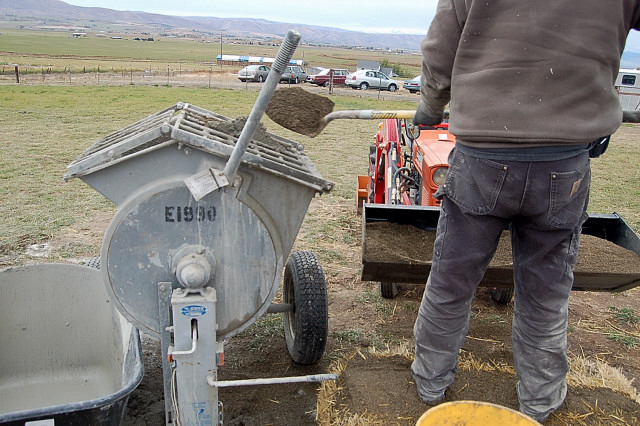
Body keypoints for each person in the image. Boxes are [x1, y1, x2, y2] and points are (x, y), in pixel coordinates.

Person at [411, 1, 640, 422]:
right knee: (546, 295)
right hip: (565, 161)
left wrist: (428, 109)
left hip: (481, 156)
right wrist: (598, 110)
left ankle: (429, 383)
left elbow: (441, 49)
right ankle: (541, 399)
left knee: (451, 281)